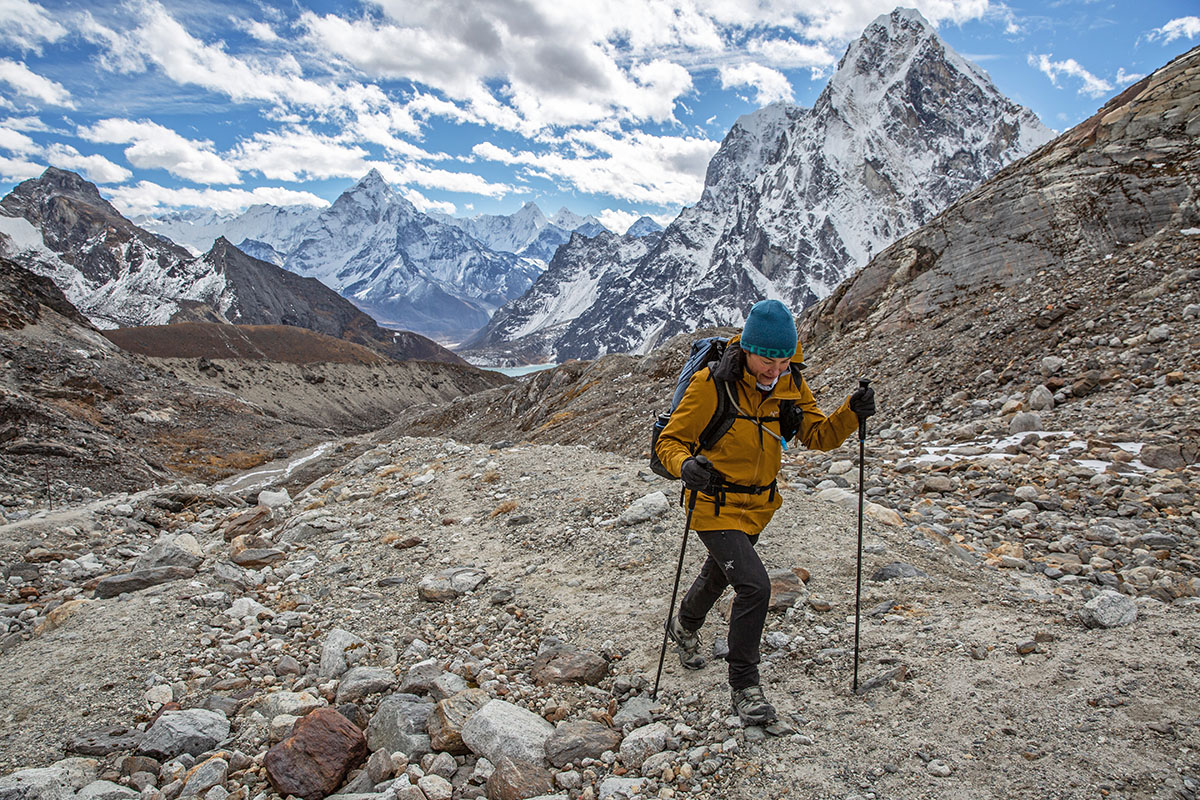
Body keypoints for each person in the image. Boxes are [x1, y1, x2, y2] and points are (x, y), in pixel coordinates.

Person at [654, 298, 875, 724]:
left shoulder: (792, 385)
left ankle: (683, 626)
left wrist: (851, 412)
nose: (774, 370)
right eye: (766, 360)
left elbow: (819, 437)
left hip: (758, 507)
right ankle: (745, 687)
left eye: (783, 360)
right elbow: (670, 440)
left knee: (719, 573)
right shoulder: (711, 384)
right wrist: (685, 466)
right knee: (754, 586)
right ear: (747, 349)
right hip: (713, 505)